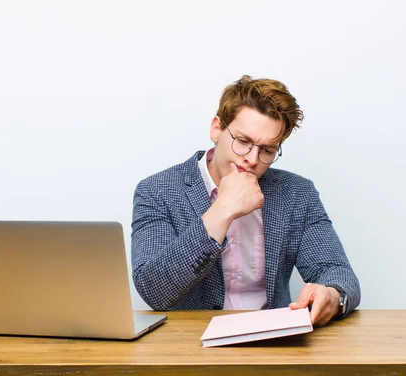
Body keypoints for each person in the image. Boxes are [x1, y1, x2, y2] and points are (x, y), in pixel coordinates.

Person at [131, 75, 360, 326]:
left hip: (272, 340)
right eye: (243, 142)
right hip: (190, 345)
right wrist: (223, 209)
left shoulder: (296, 193)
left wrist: (332, 294)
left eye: (267, 150)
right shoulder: (157, 191)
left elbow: (339, 273)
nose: (252, 159)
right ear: (216, 129)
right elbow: (154, 290)